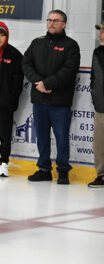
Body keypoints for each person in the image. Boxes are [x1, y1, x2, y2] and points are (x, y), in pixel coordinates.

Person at [22, 10, 80, 184]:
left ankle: (63, 171)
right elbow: (26, 62)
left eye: (56, 20)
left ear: (64, 24)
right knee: (41, 136)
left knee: (62, 137)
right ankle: (44, 169)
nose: (52, 23)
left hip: (59, 102)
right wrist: (38, 82)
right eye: (49, 20)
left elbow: (68, 71)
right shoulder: (37, 43)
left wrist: (48, 84)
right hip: (39, 100)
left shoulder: (71, 45)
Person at [0, 21, 24, 177]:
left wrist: (11, 99)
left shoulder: (14, 55)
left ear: (7, 37)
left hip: (4, 103)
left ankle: (4, 164)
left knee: (5, 135)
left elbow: (18, 82)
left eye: (2, 35)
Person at [88, 23, 104, 188]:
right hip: (101, 107)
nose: (100, 35)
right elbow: (94, 78)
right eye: (100, 31)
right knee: (99, 144)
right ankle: (102, 175)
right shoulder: (97, 52)